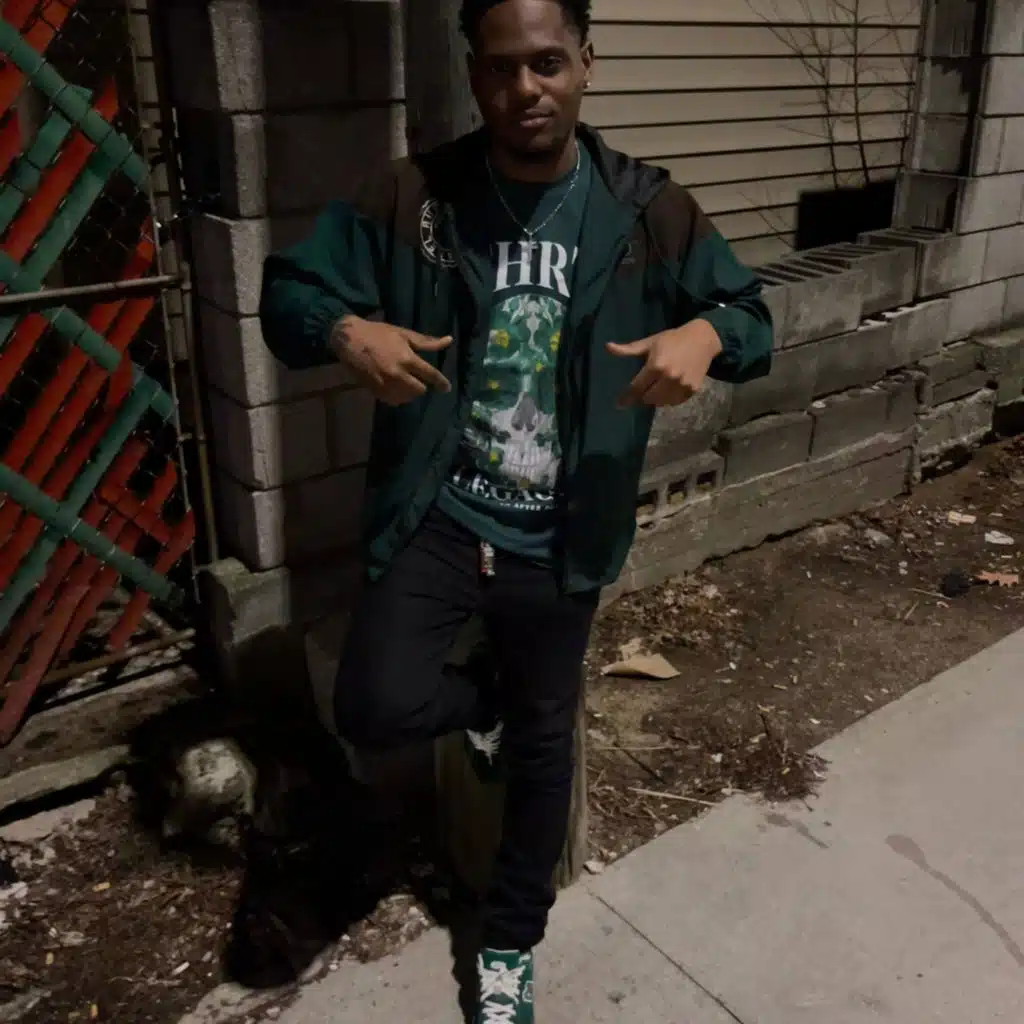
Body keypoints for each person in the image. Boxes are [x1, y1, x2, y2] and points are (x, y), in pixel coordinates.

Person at [259, 0, 773, 1019]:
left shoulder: (646, 209)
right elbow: (285, 295)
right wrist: (345, 331)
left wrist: (707, 336)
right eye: (501, 68)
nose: (524, 89)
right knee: (374, 705)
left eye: (547, 62)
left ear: (587, 63)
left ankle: (509, 944)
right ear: (473, 74)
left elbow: (751, 315)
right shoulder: (414, 195)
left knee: (544, 746)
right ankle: (478, 702)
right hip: (441, 513)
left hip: (562, 531)